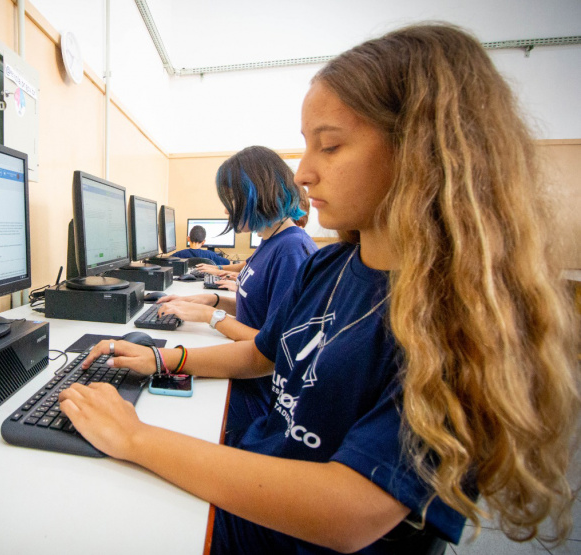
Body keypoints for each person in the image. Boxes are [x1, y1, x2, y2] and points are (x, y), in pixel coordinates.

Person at [58, 23, 580, 554]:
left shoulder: (455, 315)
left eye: (329, 147)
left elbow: (348, 512)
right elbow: (260, 356)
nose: (304, 174)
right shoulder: (328, 267)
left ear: (423, 153)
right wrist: (162, 359)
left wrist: (137, 437)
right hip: (261, 479)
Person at [155, 146, 317, 436]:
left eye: (231, 199)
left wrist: (211, 316)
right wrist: (211, 299)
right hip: (245, 375)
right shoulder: (272, 242)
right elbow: (259, 308)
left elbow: (274, 351)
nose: (226, 209)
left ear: (255, 194)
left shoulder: (292, 251)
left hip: (259, 395)